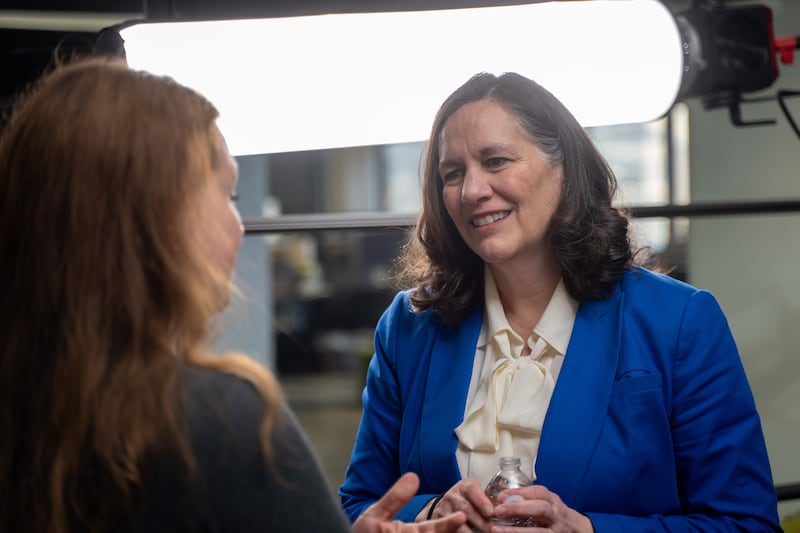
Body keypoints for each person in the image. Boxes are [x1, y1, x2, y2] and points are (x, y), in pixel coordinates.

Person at [0, 57, 467, 533]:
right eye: (227, 197)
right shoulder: (221, 419)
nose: (238, 228)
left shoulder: (30, 407)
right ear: (155, 219)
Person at [339, 71, 782, 532]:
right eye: (453, 173)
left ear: (564, 169)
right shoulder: (409, 327)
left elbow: (746, 524)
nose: (472, 190)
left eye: (495, 161)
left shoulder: (680, 322)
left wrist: (586, 530)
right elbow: (358, 505)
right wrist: (432, 513)